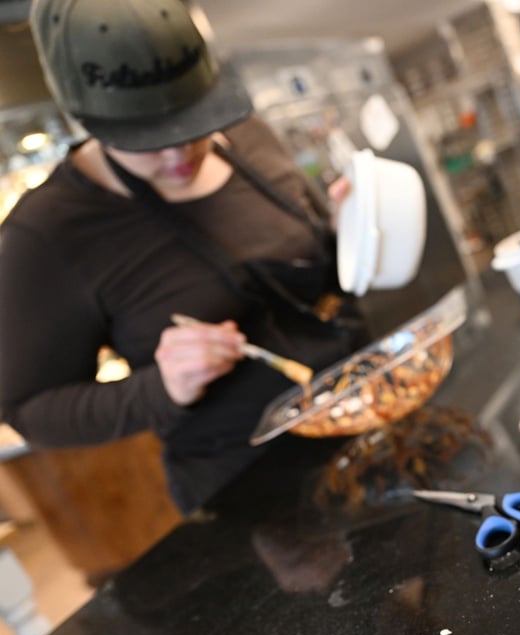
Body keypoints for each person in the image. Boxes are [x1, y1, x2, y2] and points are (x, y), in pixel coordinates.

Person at [0, 0, 369, 513]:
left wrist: (349, 235)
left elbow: (316, 271)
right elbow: (29, 412)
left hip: (365, 417)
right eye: (148, 139)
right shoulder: (44, 236)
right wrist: (162, 388)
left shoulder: (246, 135)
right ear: (82, 117)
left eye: (194, 123)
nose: (180, 154)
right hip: (256, 493)